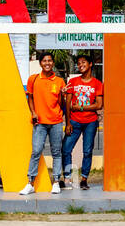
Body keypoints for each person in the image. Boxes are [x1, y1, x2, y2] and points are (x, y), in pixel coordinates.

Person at [20, 52, 65, 196]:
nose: (47, 63)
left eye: (50, 61)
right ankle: (30, 183)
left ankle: (56, 182)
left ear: (53, 63)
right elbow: (30, 98)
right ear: (40, 63)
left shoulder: (59, 81)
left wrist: (63, 95)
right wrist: (33, 112)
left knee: (56, 153)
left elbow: (61, 104)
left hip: (56, 122)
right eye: (44, 61)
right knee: (36, 152)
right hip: (39, 122)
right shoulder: (33, 79)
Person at [61, 54, 104, 190]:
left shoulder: (97, 84)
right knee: (66, 149)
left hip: (90, 122)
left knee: (87, 151)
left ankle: (84, 179)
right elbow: (68, 103)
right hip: (74, 121)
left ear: (90, 64)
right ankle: (67, 177)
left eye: (83, 62)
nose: (81, 65)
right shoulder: (73, 82)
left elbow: (99, 105)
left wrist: (80, 107)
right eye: (78, 63)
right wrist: (67, 123)